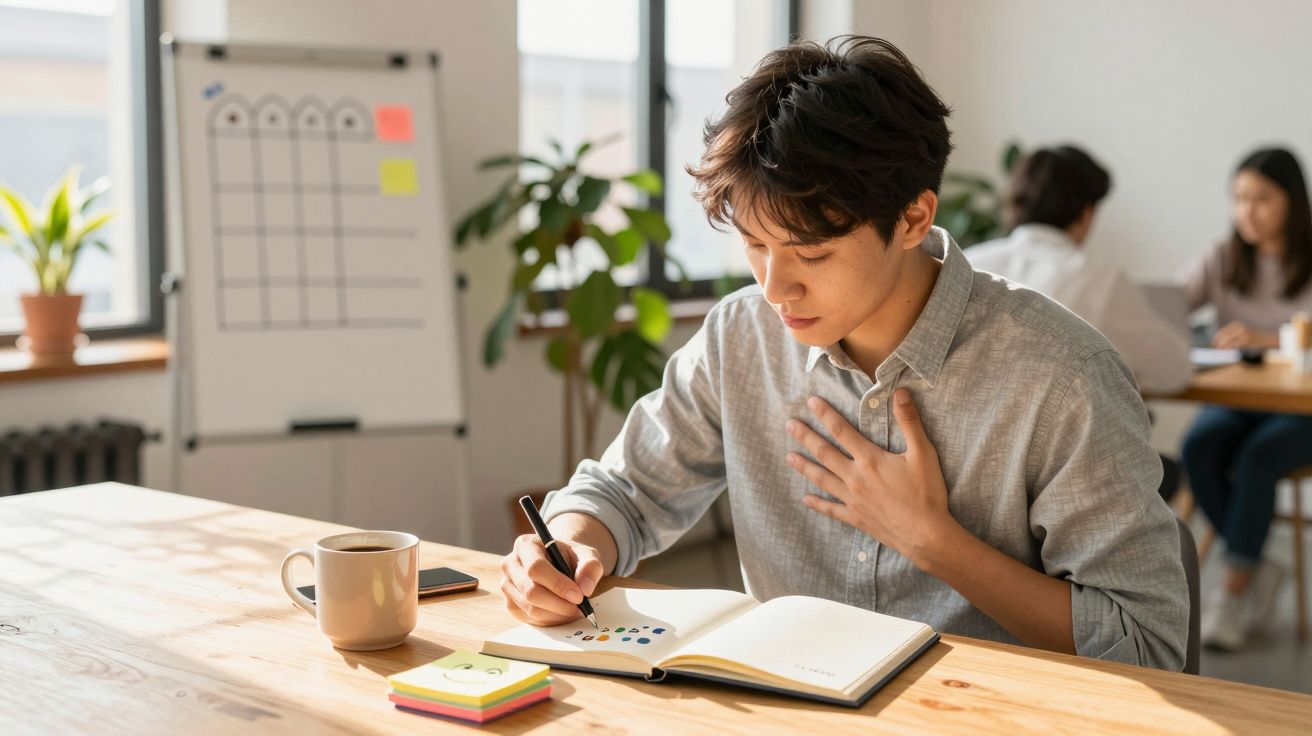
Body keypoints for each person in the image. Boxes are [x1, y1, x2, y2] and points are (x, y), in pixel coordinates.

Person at [499, 36, 1188, 670]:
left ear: (914, 218)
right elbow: (624, 490)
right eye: (754, 245)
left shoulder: (1060, 377)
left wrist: (932, 540)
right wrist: (569, 544)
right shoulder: (741, 337)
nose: (773, 287)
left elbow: (1145, 645)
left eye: (812, 253)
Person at [1180, 146, 1312, 651]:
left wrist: (1268, 340)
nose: (1247, 211)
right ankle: (1260, 551)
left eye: (1261, 199)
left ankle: (1232, 591)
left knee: (1258, 459)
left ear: (1292, 203)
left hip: (1302, 410)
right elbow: (1167, 307)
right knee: (1200, 448)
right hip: (1242, 400)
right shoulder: (1223, 256)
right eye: (1239, 198)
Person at [967, 145, 1192, 396]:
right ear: (1086, 212)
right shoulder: (1100, 279)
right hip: (1063, 431)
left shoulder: (968, 262)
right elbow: (1174, 370)